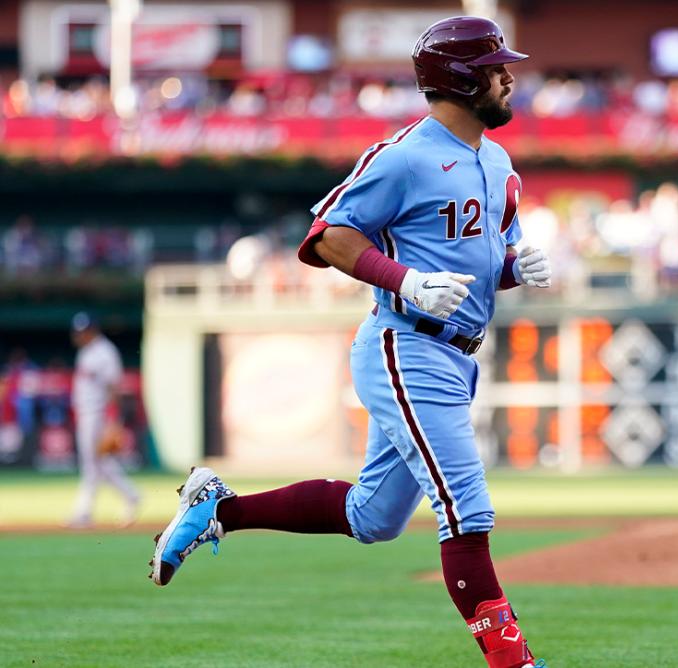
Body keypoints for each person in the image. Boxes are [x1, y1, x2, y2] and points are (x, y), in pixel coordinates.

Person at [148, 17, 550, 668]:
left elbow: (478, 262)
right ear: (460, 78)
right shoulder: (403, 156)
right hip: (407, 344)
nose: (509, 77)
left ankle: (219, 508)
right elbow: (327, 237)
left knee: (374, 517)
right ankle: (516, 664)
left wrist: (512, 268)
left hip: (455, 353)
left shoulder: (497, 160)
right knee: (466, 511)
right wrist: (405, 282)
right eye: (496, 68)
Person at [67, 312, 140, 527]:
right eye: (77, 331)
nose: (79, 335)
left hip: (97, 413)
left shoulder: (105, 352)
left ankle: (83, 512)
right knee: (100, 463)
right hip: (85, 413)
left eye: (83, 331)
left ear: (93, 330)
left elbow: (113, 387)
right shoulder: (86, 351)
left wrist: (113, 419)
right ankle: (131, 495)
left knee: (91, 463)